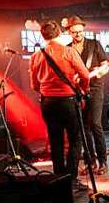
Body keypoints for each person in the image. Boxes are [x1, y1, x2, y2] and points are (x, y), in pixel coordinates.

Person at [30, 20, 91, 183]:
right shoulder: (68, 52)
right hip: (68, 101)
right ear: (58, 33)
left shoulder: (36, 56)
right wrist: (84, 90)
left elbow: (34, 85)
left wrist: (47, 91)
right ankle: (71, 178)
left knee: (55, 140)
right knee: (75, 139)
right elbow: (85, 75)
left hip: (48, 102)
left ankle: (59, 178)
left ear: (43, 35)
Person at [67, 16, 109, 175]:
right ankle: (90, 161)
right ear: (69, 32)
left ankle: (103, 161)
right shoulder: (68, 49)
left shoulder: (94, 44)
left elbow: (105, 66)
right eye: (75, 32)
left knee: (95, 124)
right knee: (83, 127)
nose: (78, 35)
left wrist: (94, 73)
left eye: (80, 31)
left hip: (95, 88)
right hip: (78, 91)